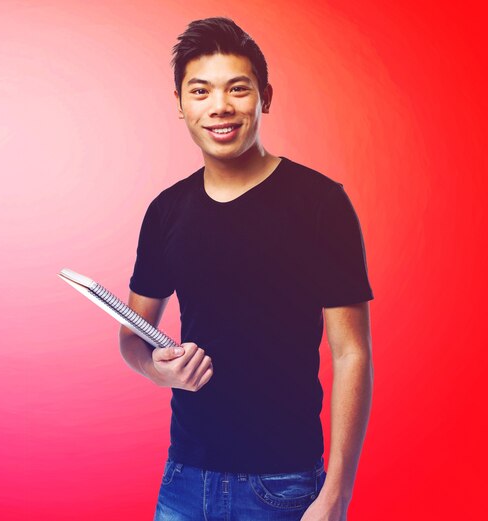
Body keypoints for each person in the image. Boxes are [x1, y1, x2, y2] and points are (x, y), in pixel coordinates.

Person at [119, 17, 374, 521]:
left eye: (238, 88)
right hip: (183, 480)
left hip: (284, 485)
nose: (220, 107)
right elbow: (133, 335)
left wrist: (337, 495)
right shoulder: (167, 210)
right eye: (201, 91)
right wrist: (157, 369)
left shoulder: (320, 203)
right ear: (180, 103)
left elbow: (351, 353)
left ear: (265, 96)